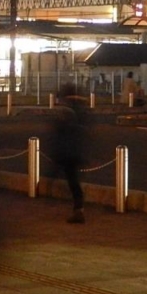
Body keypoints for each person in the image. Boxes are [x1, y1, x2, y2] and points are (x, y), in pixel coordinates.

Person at [53, 82, 90, 224]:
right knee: (73, 180)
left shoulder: (68, 110)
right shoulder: (80, 108)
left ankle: (78, 209)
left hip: (69, 152)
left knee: (72, 181)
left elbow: (62, 132)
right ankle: (78, 208)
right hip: (76, 151)